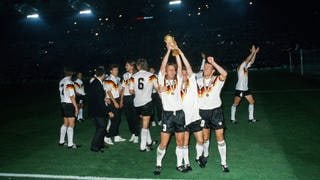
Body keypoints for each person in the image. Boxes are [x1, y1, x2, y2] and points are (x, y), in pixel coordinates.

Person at [153, 45, 186, 175]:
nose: (172, 72)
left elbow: (179, 64)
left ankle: (179, 164)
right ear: (166, 72)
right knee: (163, 143)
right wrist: (168, 51)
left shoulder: (178, 80)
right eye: (169, 70)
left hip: (179, 114)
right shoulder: (161, 81)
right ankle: (158, 163)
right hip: (167, 115)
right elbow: (162, 66)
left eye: (173, 70)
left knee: (180, 142)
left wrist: (175, 51)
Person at [197, 56, 229, 172]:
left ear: (213, 70)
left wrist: (213, 62)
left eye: (208, 67)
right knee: (205, 138)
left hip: (216, 112)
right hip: (203, 112)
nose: (205, 69)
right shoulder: (198, 81)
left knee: (220, 137)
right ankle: (205, 155)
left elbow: (224, 73)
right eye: (205, 67)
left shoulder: (217, 80)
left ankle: (224, 163)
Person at [178, 49, 206, 171]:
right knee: (185, 143)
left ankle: (198, 157)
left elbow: (188, 68)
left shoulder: (193, 83)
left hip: (195, 117)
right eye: (182, 74)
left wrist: (181, 53)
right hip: (183, 119)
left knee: (201, 140)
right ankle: (187, 163)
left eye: (186, 74)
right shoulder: (177, 87)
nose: (184, 75)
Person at [129, 59, 158, 152]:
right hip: (146, 103)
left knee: (144, 123)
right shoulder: (151, 76)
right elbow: (157, 88)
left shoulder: (133, 76)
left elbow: (131, 91)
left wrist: (139, 92)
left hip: (137, 103)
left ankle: (149, 142)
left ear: (138, 66)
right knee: (145, 125)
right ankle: (143, 146)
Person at [87, 67, 114, 153]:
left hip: (95, 108)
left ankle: (101, 143)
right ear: (102, 75)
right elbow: (98, 100)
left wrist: (104, 99)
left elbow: (97, 96)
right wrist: (108, 111)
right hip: (97, 109)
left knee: (102, 126)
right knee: (101, 127)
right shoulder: (97, 84)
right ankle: (94, 146)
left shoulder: (96, 82)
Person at [231, 45, 260, 123]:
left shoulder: (245, 67)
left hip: (246, 89)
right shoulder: (240, 67)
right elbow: (247, 60)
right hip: (240, 89)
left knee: (252, 102)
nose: (246, 63)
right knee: (235, 104)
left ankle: (251, 118)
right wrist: (253, 52)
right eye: (244, 63)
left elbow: (252, 61)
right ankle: (232, 118)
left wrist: (255, 53)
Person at [103, 64, 126, 145]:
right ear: (111, 71)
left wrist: (120, 99)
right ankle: (107, 136)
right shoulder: (108, 79)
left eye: (117, 70)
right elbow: (108, 91)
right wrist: (115, 102)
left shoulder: (117, 79)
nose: (117, 71)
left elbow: (119, 90)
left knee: (118, 119)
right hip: (111, 100)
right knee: (115, 120)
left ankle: (116, 136)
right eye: (115, 70)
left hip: (117, 99)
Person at [58, 67, 80, 149]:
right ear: (72, 73)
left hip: (63, 103)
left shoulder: (62, 81)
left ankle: (61, 141)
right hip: (69, 104)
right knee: (71, 124)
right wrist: (76, 107)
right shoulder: (69, 82)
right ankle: (70, 144)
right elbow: (71, 96)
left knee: (65, 123)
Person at [121, 60, 139, 144]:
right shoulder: (125, 75)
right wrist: (121, 99)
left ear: (132, 66)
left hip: (134, 97)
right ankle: (132, 133)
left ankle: (136, 135)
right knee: (128, 117)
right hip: (126, 98)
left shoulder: (137, 75)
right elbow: (123, 88)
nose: (125, 67)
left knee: (135, 117)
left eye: (127, 65)